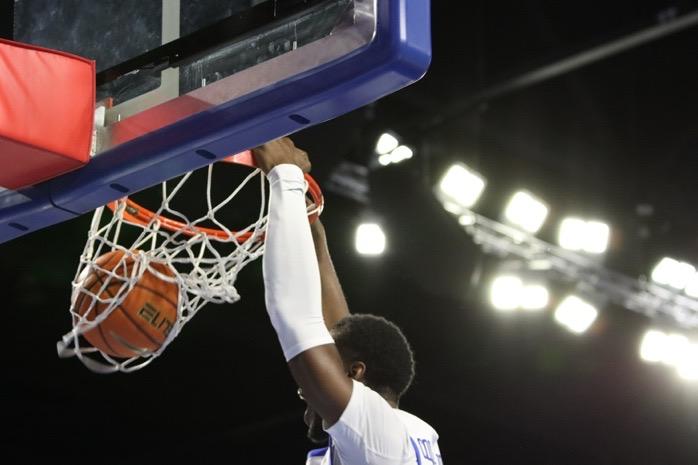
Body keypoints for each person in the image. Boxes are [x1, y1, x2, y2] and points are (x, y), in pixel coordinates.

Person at [253, 137, 443, 465]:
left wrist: (289, 179)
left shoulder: (382, 439)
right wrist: (291, 187)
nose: (303, 391)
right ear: (355, 372)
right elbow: (298, 318)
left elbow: (323, 331)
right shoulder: (383, 437)